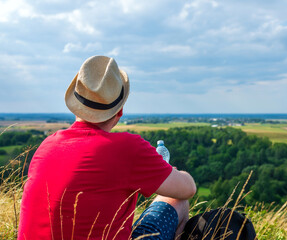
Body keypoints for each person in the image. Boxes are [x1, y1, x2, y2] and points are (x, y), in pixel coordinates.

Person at [18, 55, 196, 240]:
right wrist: (170, 172)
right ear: (119, 111)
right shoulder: (127, 148)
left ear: (76, 105)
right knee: (176, 201)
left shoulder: (47, 145)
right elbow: (188, 189)